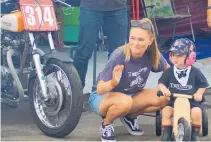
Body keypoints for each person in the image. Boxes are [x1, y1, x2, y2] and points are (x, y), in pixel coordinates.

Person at [88, 18, 170, 142]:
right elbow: (99, 89)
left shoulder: (152, 54)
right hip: (102, 97)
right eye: (132, 38)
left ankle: (130, 117)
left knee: (164, 98)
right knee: (125, 102)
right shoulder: (119, 55)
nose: (135, 43)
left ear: (150, 41)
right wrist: (113, 82)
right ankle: (106, 125)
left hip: (131, 95)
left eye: (140, 39)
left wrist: (165, 85)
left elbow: (169, 72)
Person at [157, 38, 209, 141]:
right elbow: (161, 83)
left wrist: (199, 93)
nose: (175, 58)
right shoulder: (169, 71)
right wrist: (164, 89)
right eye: (173, 54)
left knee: (196, 112)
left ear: (190, 57)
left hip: (191, 102)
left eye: (179, 55)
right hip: (173, 101)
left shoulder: (195, 72)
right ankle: (167, 134)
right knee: (166, 111)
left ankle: (194, 134)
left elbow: (203, 85)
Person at [73, 0, 129, 88]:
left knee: (118, 54)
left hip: (118, 6)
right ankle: (76, 91)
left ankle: (115, 90)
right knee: (84, 51)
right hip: (90, 6)